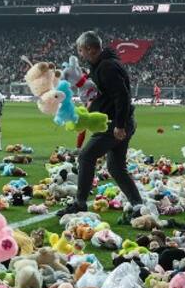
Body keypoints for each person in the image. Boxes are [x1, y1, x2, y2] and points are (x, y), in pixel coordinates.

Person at [58, 31, 144, 219]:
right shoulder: (103, 64)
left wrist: (119, 125)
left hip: (114, 123)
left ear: (90, 48)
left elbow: (122, 95)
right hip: (119, 121)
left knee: (86, 156)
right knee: (116, 167)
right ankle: (139, 206)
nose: (80, 54)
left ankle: (80, 203)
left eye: (81, 50)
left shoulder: (106, 67)